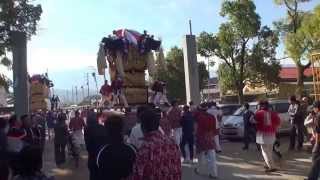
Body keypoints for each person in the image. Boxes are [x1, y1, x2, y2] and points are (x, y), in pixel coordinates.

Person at [131, 108, 181, 180]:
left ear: (143, 127)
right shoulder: (172, 143)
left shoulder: (145, 148)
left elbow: (138, 175)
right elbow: (178, 169)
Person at [96, 115, 136, 180]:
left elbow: (99, 171)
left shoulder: (101, 152)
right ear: (122, 129)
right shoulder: (132, 149)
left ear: (106, 130)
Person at [255, 100, 280, 172]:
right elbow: (278, 122)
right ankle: (267, 164)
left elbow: (252, 121)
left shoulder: (258, 113)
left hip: (262, 134)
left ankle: (271, 166)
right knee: (269, 150)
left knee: (264, 151)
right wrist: (274, 128)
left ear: (261, 106)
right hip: (272, 133)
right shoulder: (273, 113)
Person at [194, 103, 218, 179]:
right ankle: (214, 174)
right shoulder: (212, 117)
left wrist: (196, 137)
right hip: (210, 137)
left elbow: (197, 129)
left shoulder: (199, 117)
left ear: (200, 109)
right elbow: (214, 129)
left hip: (201, 138)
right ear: (207, 109)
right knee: (212, 157)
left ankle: (199, 169)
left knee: (200, 156)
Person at [84, 110, 107, 180]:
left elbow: (88, 146)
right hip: (103, 157)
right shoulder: (103, 128)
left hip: (92, 158)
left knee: (93, 176)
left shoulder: (87, 129)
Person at [306, 101, 320, 180]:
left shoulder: (318, 116)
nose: (313, 110)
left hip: (319, 144)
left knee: (315, 162)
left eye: (314, 108)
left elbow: (318, 132)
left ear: (317, 108)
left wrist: (317, 144)